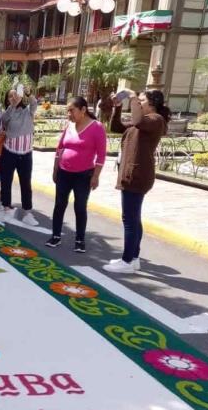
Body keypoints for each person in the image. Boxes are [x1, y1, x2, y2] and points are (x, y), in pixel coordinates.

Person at [103, 89, 169, 273]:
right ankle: (134, 258)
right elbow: (116, 127)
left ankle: (127, 261)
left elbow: (139, 120)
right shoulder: (143, 122)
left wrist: (131, 96)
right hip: (133, 174)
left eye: (141, 100)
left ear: (152, 103)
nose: (139, 103)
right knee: (134, 218)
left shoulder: (155, 120)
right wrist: (117, 107)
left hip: (137, 175)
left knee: (129, 220)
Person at [46, 96, 107, 253]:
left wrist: (95, 176)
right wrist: (55, 169)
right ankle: (56, 236)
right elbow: (59, 148)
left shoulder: (97, 127)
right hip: (64, 173)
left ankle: (80, 240)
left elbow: (101, 155)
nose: (69, 114)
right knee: (59, 204)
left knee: (80, 206)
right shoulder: (69, 126)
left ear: (83, 110)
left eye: (71, 110)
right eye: (67, 111)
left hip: (83, 175)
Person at [0, 87, 39, 226]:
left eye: (16, 95)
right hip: (9, 152)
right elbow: (3, 121)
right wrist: (12, 106)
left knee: (26, 183)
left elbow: (34, 104)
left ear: (21, 96)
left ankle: (28, 212)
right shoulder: (8, 112)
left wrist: (29, 93)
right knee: (6, 181)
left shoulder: (28, 111)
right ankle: (6, 208)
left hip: (26, 154)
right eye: (10, 96)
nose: (14, 98)